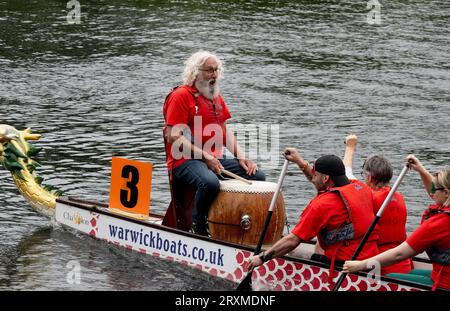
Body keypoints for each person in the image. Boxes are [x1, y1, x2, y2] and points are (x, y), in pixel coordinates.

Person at [163, 50, 265, 236]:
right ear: (195, 72)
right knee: (209, 183)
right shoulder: (181, 96)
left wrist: (242, 157)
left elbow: (224, 131)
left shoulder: (215, 97)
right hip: (183, 161)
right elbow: (173, 136)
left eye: (216, 70)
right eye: (210, 70)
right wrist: (206, 157)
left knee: (257, 177)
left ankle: (231, 223)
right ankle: (198, 226)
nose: (215, 74)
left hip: (213, 158)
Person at [247, 149, 379, 283]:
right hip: (369, 260)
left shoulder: (323, 204)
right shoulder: (360, 187)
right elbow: (320, 181)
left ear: (326, 178)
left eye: (315, 175)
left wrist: (262, 258)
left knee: (289, 252)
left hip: (343, 266)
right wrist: (299, 162)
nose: (312, 178)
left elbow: (293, 240)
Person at [343, 155, 450, 291]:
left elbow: (346, 179)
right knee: (412, 273)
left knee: (393, 277)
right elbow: (437, 193)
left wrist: (360, 265)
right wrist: (422, 170)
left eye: (435, 190)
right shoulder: (398, 197)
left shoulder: (440, 222)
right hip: (408, 264)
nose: (431, 193)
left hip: (441, 283)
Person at [343, 134, 412, 275]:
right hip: (404, 263)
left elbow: (346, 174)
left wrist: (350, 147)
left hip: (381, 267)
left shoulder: (368, 195)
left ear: (369, 178)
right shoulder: (399, 197)